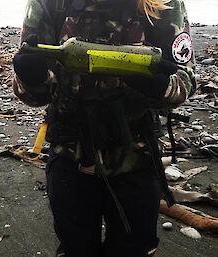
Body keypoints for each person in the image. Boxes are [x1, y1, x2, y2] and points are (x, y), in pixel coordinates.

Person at [13, 0, 196, 256]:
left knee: (133, 249)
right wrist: (31, 77)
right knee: (75, 249)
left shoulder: (164, 3)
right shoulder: (49, 3)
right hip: (70, 155)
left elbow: (185, 82)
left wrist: (160, 85)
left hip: (137, 158)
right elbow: (32, 95)